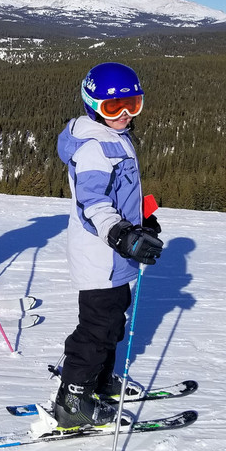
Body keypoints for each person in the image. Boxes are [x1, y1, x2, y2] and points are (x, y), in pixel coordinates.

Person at [52, 62, 163, 428]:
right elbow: (93, 201)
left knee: (114, 320)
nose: (125, 115)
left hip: (116, 254)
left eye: (133, 104)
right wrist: (119, 232)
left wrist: (140, 222)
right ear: (92, 106)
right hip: (99, 254)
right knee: (96, 328)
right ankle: (73, 401)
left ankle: (98, 381)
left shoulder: (114, 137)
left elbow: (120, 193)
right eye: (114, 108)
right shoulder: (94, 148)